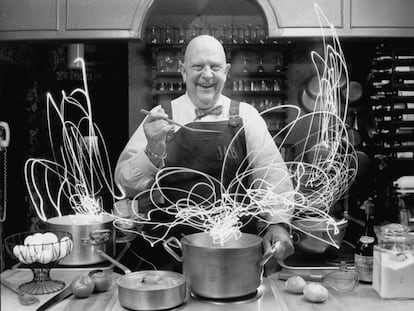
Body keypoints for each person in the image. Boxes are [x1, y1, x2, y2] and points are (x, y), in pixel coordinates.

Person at [115, 35, 294, 273]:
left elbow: (274, 177)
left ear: (226, 71)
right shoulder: (160, 116)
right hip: (173, 253)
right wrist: (152, 151)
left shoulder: (246, 116)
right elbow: (125, 183)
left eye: (215, 67)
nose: (207, 75)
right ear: (183, 71)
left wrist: (279, 224)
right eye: (198, 66)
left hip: (235, 251)